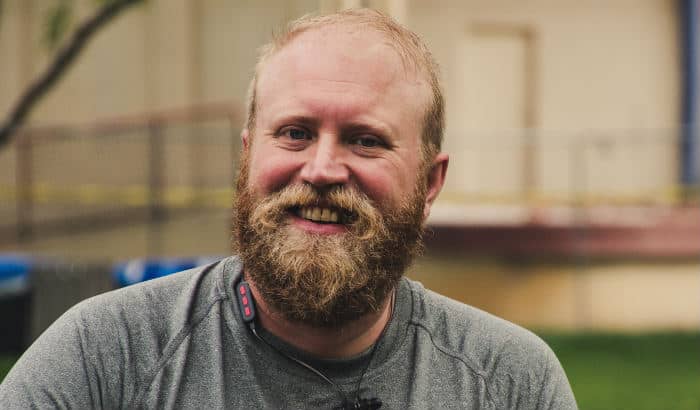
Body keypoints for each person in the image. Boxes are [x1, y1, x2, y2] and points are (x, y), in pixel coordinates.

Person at [0, 9, 577, 409]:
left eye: (366, 139)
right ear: (248, 157)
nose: (323, 169)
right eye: (295, 133)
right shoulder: (103, 361)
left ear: (430, 182)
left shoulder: (507, 382)